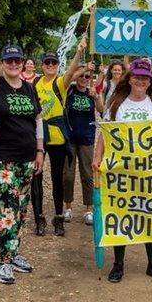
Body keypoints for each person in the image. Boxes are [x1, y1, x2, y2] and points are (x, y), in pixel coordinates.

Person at [92, 58, 152, 283]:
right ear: (129, 78)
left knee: (151, 214)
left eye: (144, 77)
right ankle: (118, 264)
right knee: (120, 215)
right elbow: (105, 133)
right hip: (121, 173)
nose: (140, 80)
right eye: (136, 76)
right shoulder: (117, 104)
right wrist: (97, 156)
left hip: (149, 173)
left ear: (149, 80)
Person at [0, 44, 44, 284]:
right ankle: (3, 260)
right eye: (8, 61)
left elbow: (37, 120)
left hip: (28, 158)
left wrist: (40, 150)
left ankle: (13, 252)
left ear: (23, 63)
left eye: (17, 60)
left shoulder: (30, 89)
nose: (13, 64)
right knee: (7, 209)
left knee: (22, 209)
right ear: (1, 63)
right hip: (3, 157)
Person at [32, 39, 86, 236]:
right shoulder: (36, 82)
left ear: (57, 65)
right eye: (47, 63)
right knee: (35, 178)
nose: (50, 66)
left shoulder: (60, 82)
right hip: (38, 135)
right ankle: (38, 217)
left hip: (57, 136)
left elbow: (71, 72)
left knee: (57, 178)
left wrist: (79, 52)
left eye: (54, 63)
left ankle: (58, 217)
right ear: (42, 65)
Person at [63, 65, 104, 226]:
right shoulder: (69, 90)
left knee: (87, 174)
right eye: (82, 76)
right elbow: (69, 78)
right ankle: (68, 207)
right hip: (69, 138)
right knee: (68, 175)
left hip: (87, 138)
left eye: (88, 77)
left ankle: (88, 209)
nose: (84, 79)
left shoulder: (92, 92)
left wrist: (96, 97)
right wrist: (81, 69)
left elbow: (102, 110)